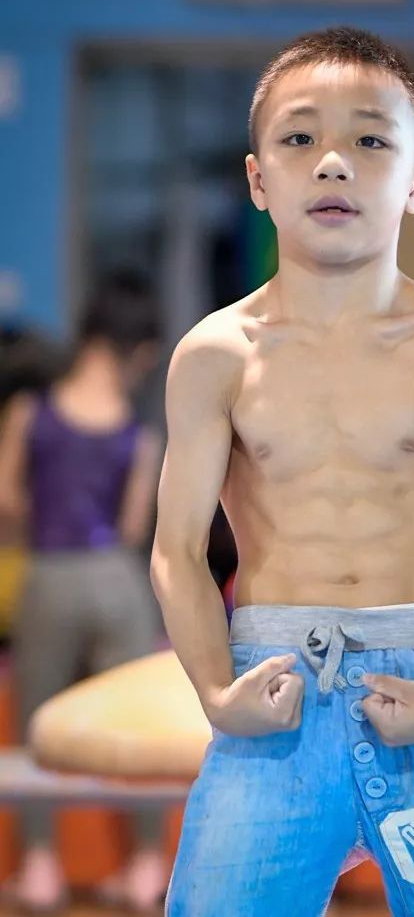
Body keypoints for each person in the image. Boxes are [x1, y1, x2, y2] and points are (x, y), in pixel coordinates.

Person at [152, 26, 414, 916]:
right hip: (275, 694)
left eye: (370, 139)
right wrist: (215, 692)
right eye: (299, 138)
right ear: (258, 180)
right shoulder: (215, 353)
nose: (333, 163)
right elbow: (177, 549)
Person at [0, 270, 168, 913]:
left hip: (49, 573)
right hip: (117, 579)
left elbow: (8, 499)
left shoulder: (30, 413)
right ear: (136, 350)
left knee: (38, 721)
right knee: (135, 725)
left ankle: (40, 866)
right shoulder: (138, 433)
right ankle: (145, 865)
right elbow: (132, 525)